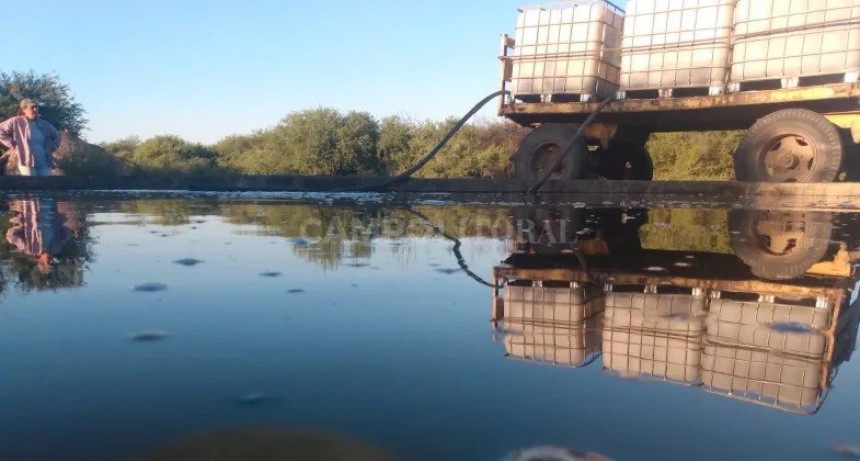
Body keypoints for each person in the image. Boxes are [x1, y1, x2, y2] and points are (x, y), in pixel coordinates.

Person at [0, 99, 60, 176]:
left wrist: (53, 147)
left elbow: (57, 135)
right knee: (31, 184)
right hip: (26, 160)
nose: (36, 109)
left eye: (37, 107)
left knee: (45, 185)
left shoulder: (44, 124)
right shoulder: (15, 121)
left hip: (43, 160)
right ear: (24, 109)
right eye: (32, 107)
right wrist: (12, 143)